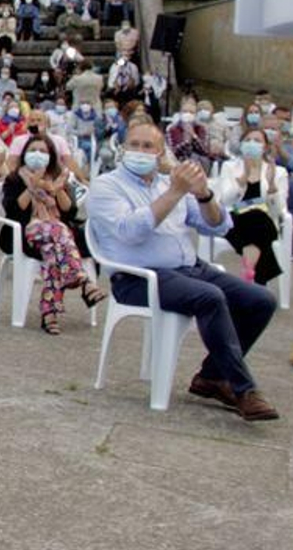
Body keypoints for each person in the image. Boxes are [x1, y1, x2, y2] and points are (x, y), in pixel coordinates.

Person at [86, 120, 280, 421]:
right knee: (210, 297)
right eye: (133, 145)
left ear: (161, 152)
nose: (140, 151)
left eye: (147, 146)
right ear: (123, 149)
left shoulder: (166, 184)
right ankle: (244, 390)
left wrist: (203, 195)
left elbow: (218, 225)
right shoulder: (106, 185)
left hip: (190, 269)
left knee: (260, 301)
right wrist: (175, 193)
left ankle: (212, 377)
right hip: (139, 277)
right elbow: (130, 232)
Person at [2, 136, 104, 334]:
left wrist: (57, 190)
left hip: (56, 238)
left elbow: (69, 212)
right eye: (33, 150)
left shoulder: (59, 178)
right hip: (28, 232)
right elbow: (14, 211)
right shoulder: (15, 178)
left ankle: (49, 313)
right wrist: (32, 188)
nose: (38, 155)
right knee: (60, 231)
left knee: (53, 249)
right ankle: (82, 281)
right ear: (25, 154)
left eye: (43, 151)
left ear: (51, 156)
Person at [217, 129, 286, 287]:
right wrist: (243, 178)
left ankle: (249, 272)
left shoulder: (278, 172)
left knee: (257, 216)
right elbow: (225, 201)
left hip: (265, 221)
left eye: (257, 140)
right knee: (255, 217)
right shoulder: (229, 167)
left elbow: (278, 211)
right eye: (248, 140)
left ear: (266, 146)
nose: (252, 144)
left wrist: (272, 187)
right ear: (241, 145)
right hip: (235, 220)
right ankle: (256, 281)